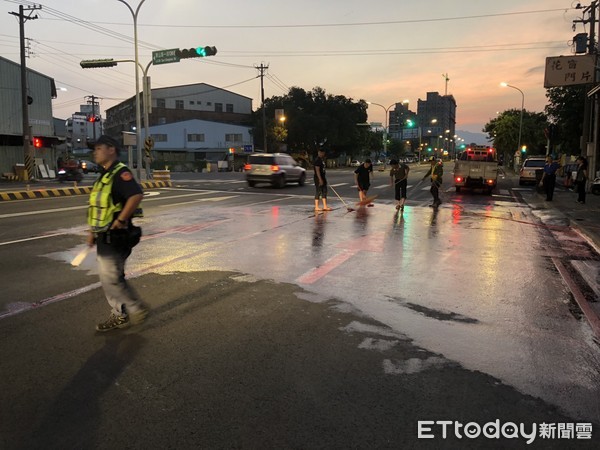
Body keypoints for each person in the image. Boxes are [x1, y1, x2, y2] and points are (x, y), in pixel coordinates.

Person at [87, 135, 147, 332]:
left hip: (116, 236)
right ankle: (122, 313)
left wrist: (121, 220)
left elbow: (136, 194)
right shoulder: (104, 176)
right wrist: (91, 232)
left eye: (98, 148)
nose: (95, 152)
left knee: (110, 276)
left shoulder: (120, 173)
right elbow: (98, 207)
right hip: (104, 235)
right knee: (110, 276)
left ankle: (132, 307)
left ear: (111, 149)